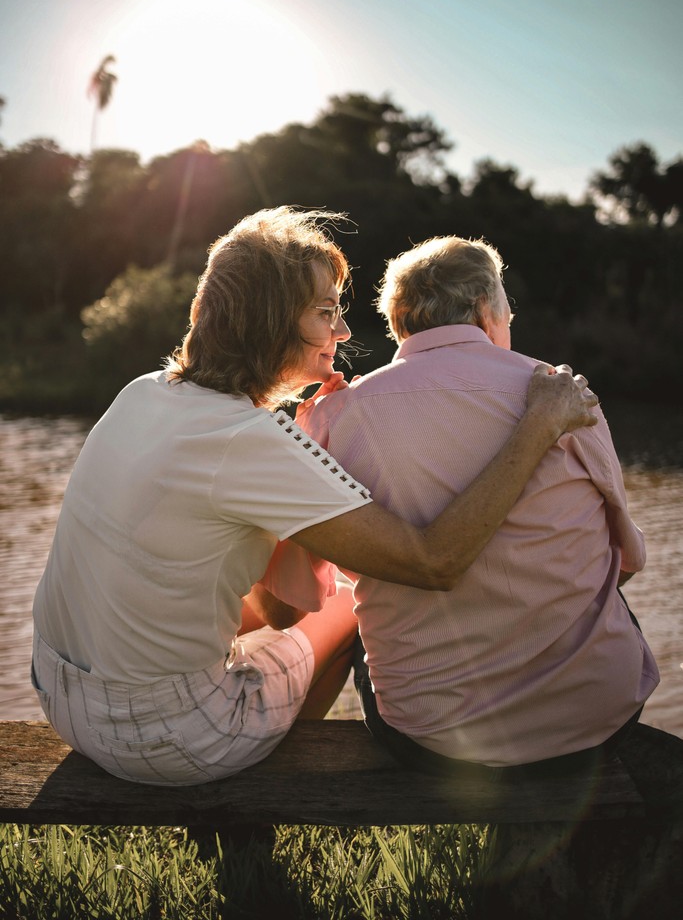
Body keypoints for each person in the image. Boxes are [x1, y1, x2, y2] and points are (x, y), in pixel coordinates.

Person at [32, 208, 598, 787]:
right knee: (351, 603)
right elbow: (433, 562)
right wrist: (538, 424)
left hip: (59, 694)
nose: (344, 334)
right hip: (169, 735)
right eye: (327, 314)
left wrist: (298, 446)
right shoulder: (251, 441)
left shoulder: (144, 392)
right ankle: (273, 788)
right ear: (271, 324)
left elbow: (273, 609)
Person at [298, 234, 660, 776]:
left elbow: (317, 582)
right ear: (487, 311)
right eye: (507, 311)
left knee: (358, 609)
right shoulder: (565, 396)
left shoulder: (333, 416)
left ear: (399, 326)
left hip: (431, 741)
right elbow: (626, 563)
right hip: (595, 724)